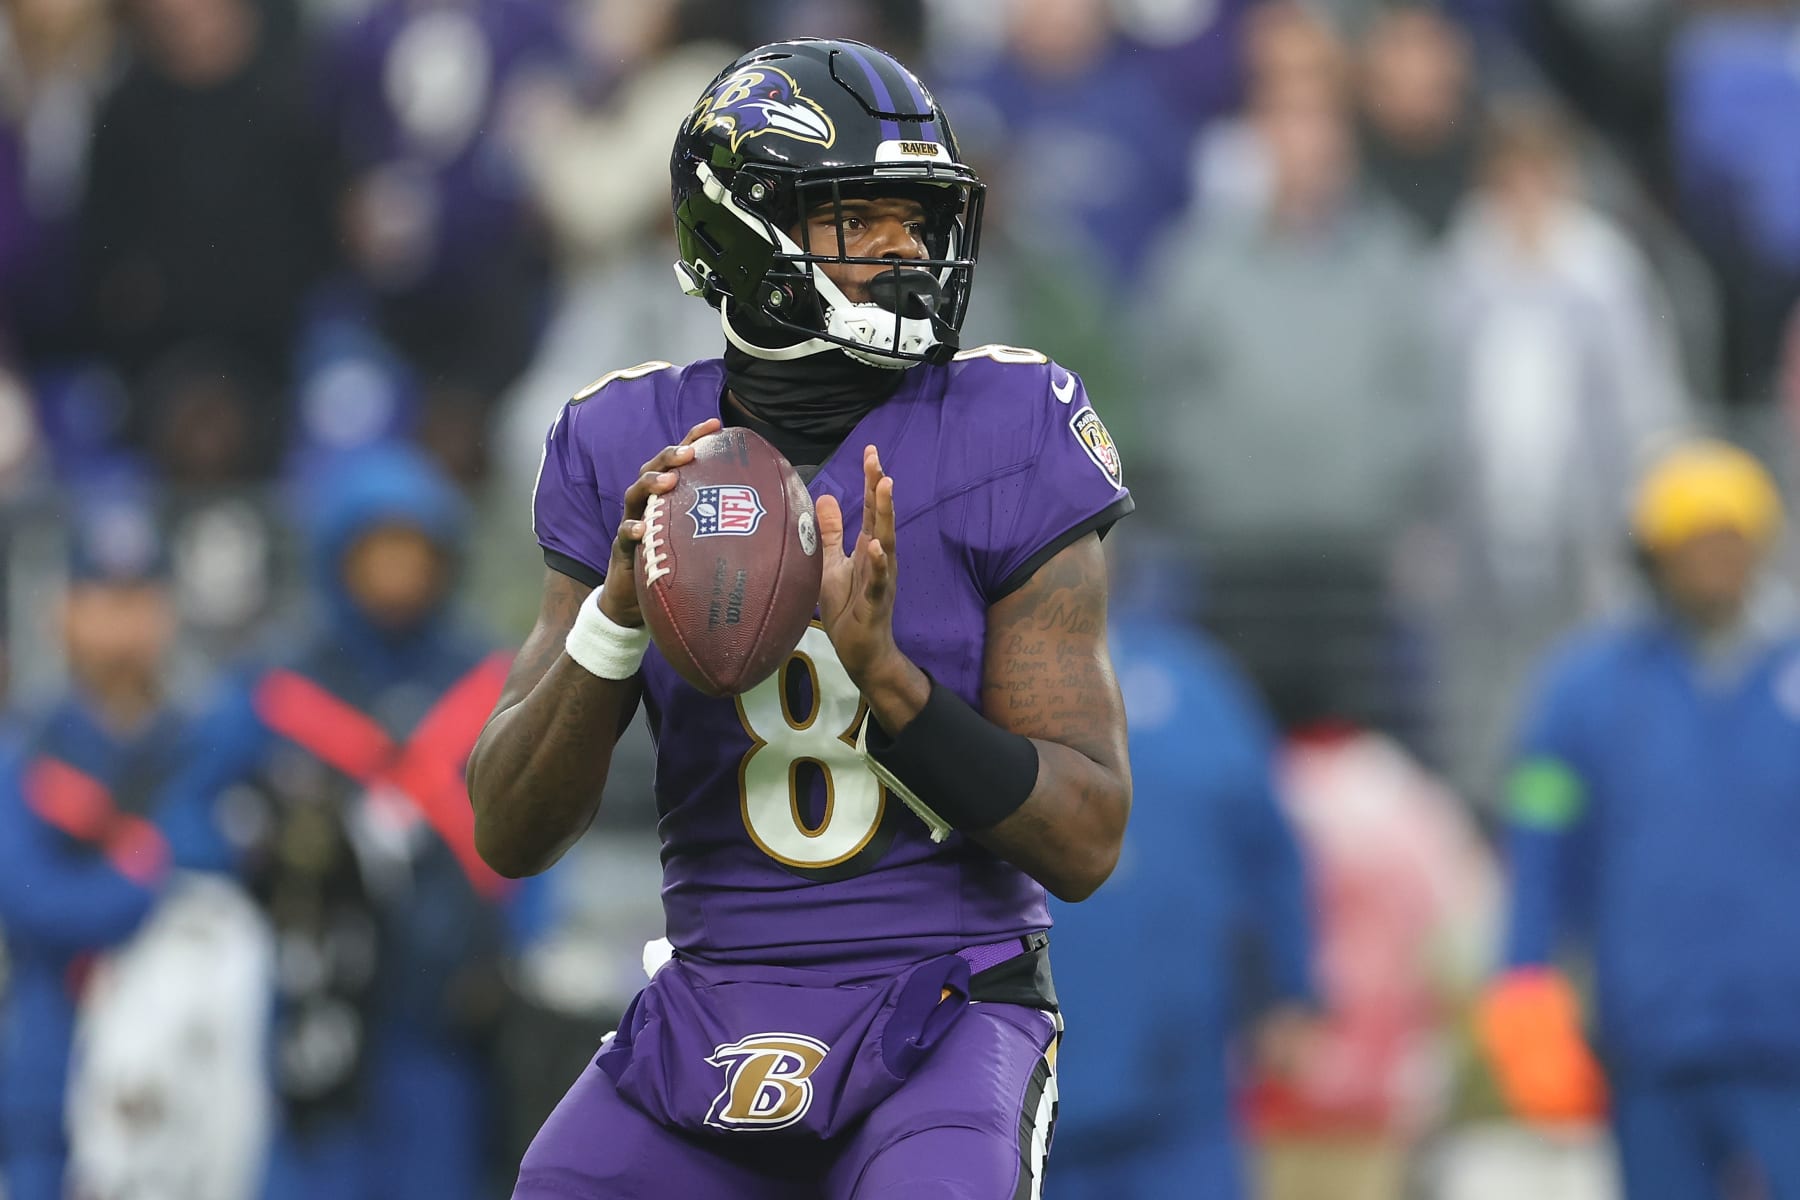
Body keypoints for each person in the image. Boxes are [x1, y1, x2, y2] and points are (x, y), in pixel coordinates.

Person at [469, 37, 1136, 1199]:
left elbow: (1085, 838)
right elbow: (509, 829)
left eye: (916, 218)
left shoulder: (1012, 423)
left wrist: (893, 685)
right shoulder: (627, 447)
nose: (905, 247)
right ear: (744, 231)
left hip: (944, 997)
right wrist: (616, 619)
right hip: (710, 997)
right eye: (860, 217)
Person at [164, 444, 516, 1200]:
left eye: (413, 549)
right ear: (338, 558)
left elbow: (543, 821)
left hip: (444, 1019)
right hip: (312, 1013)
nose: (397, 570)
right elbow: (186, 815)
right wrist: (260, 859)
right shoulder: (282, 682)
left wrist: (521, 947)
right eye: (377, 549)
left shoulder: (490, 679)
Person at [1479, 439, 1800, 1198]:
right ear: (1653, 555)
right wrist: (1526, 980)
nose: (1718, 561)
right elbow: (1539, 836)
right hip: (1652, 1036)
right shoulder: (1583, 691)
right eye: (1696, 543)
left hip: (1788, 1038)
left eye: (1733, 540)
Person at [1047, 582, 1316, 1200]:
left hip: (1180, 1083)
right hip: (1019, 1086)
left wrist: (1290, 993)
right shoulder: (954, 680)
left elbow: (1269, 850)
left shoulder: (1195, 683)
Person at [0, 496, 224, 1200]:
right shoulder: (24, 749)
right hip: (52, 1053)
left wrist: (136, 866)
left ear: (167, 614)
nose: (121, 622)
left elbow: (226, 868)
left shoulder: (204, 743)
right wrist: (152, 868)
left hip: (190, 1070)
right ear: (62, 611)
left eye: (139, 599)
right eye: (100, 599)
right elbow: (37, 906)